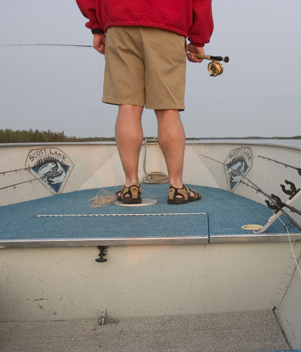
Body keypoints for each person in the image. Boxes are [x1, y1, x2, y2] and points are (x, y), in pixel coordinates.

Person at [76, 0, 213, 204]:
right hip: (168, 21)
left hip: (119, 21)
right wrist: (198, 37)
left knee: (128, 106)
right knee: (168, 109)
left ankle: (131, 186)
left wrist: (97, 25)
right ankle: (176, 187)